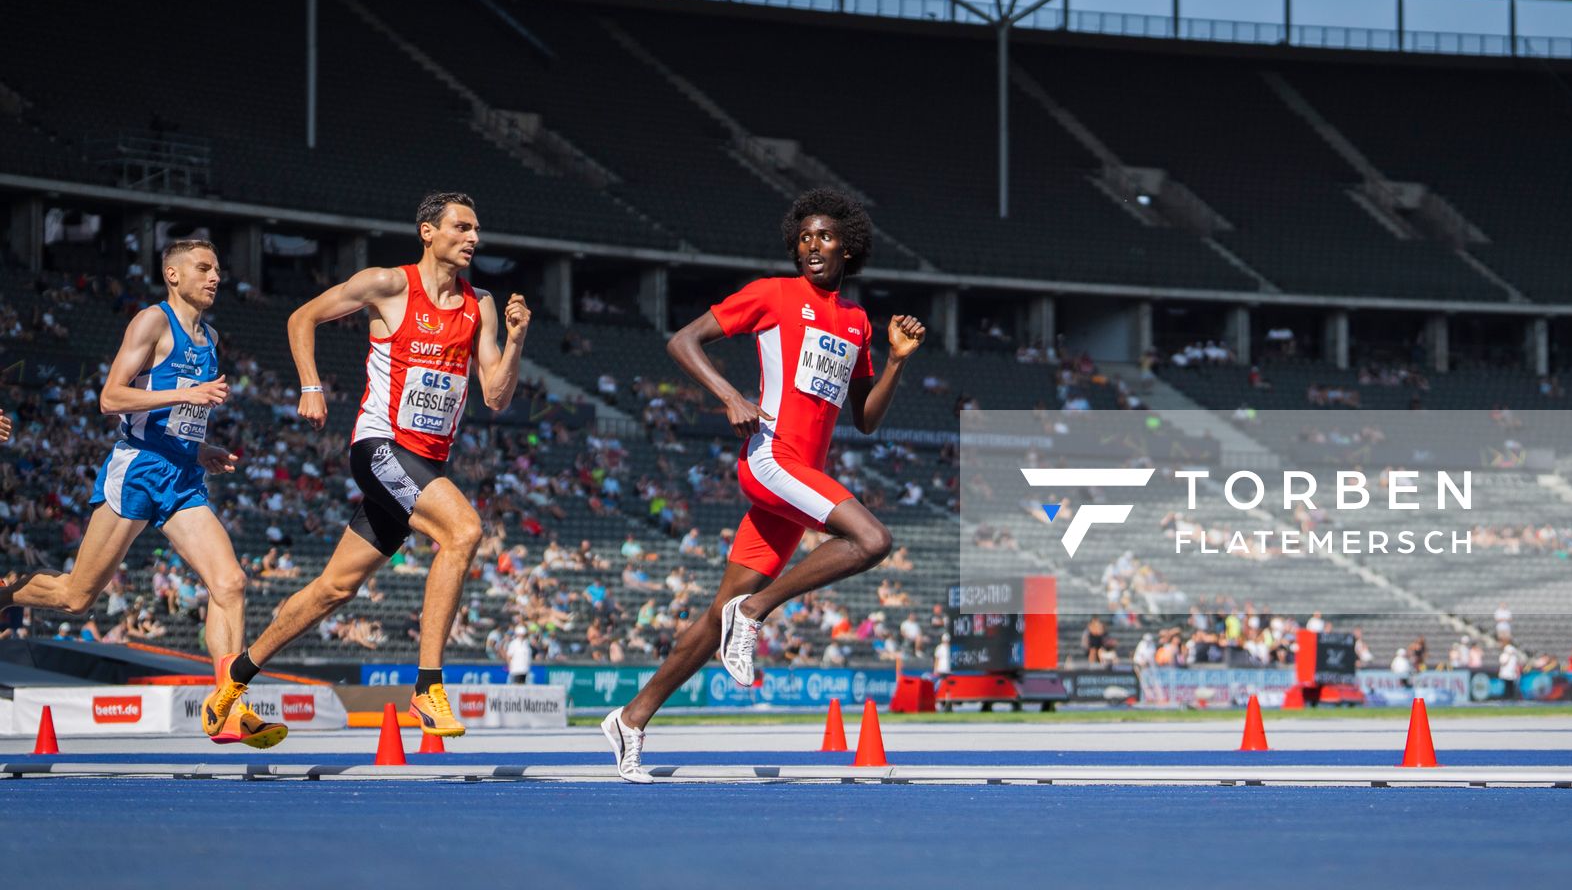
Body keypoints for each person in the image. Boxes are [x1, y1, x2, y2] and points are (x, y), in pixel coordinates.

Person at [602, 189, 925, 783]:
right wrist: (730, 396)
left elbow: (867, 418)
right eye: (803, 238)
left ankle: (631, 717)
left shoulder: (856, 323)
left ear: (848, 248)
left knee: (712, 616)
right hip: (771, 460)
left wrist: (899, 361)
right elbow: (682, 340)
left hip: (800, 485)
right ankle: (753, 613)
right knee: (872, 539)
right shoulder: (773, 295)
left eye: (825, 237)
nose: (812, 246)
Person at [202, 193, 530, 741]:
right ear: (427, 231)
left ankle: (231, 685)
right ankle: (427, 688)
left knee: (334, 589)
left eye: (477, 230)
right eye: (461, 227)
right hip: (379, 448)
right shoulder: (388, 284)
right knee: (465, 530)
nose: (473, 238)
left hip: (422, 465)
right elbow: (302, 316)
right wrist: (310, 385)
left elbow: (496, 395)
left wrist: (516, 341)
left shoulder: (482, 305)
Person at [0, 241, 285, 748]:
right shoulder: (152, 322)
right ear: (172, 275)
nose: (215, 277)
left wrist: (201, 449)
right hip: (137, 471)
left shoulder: (211, 336)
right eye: (203, 268)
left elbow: (176, 419)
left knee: (231, 583)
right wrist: (184, 394)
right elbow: (111, 397)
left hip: (182, 476)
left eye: (218, 269)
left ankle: (228, 707)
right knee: (76, 597)